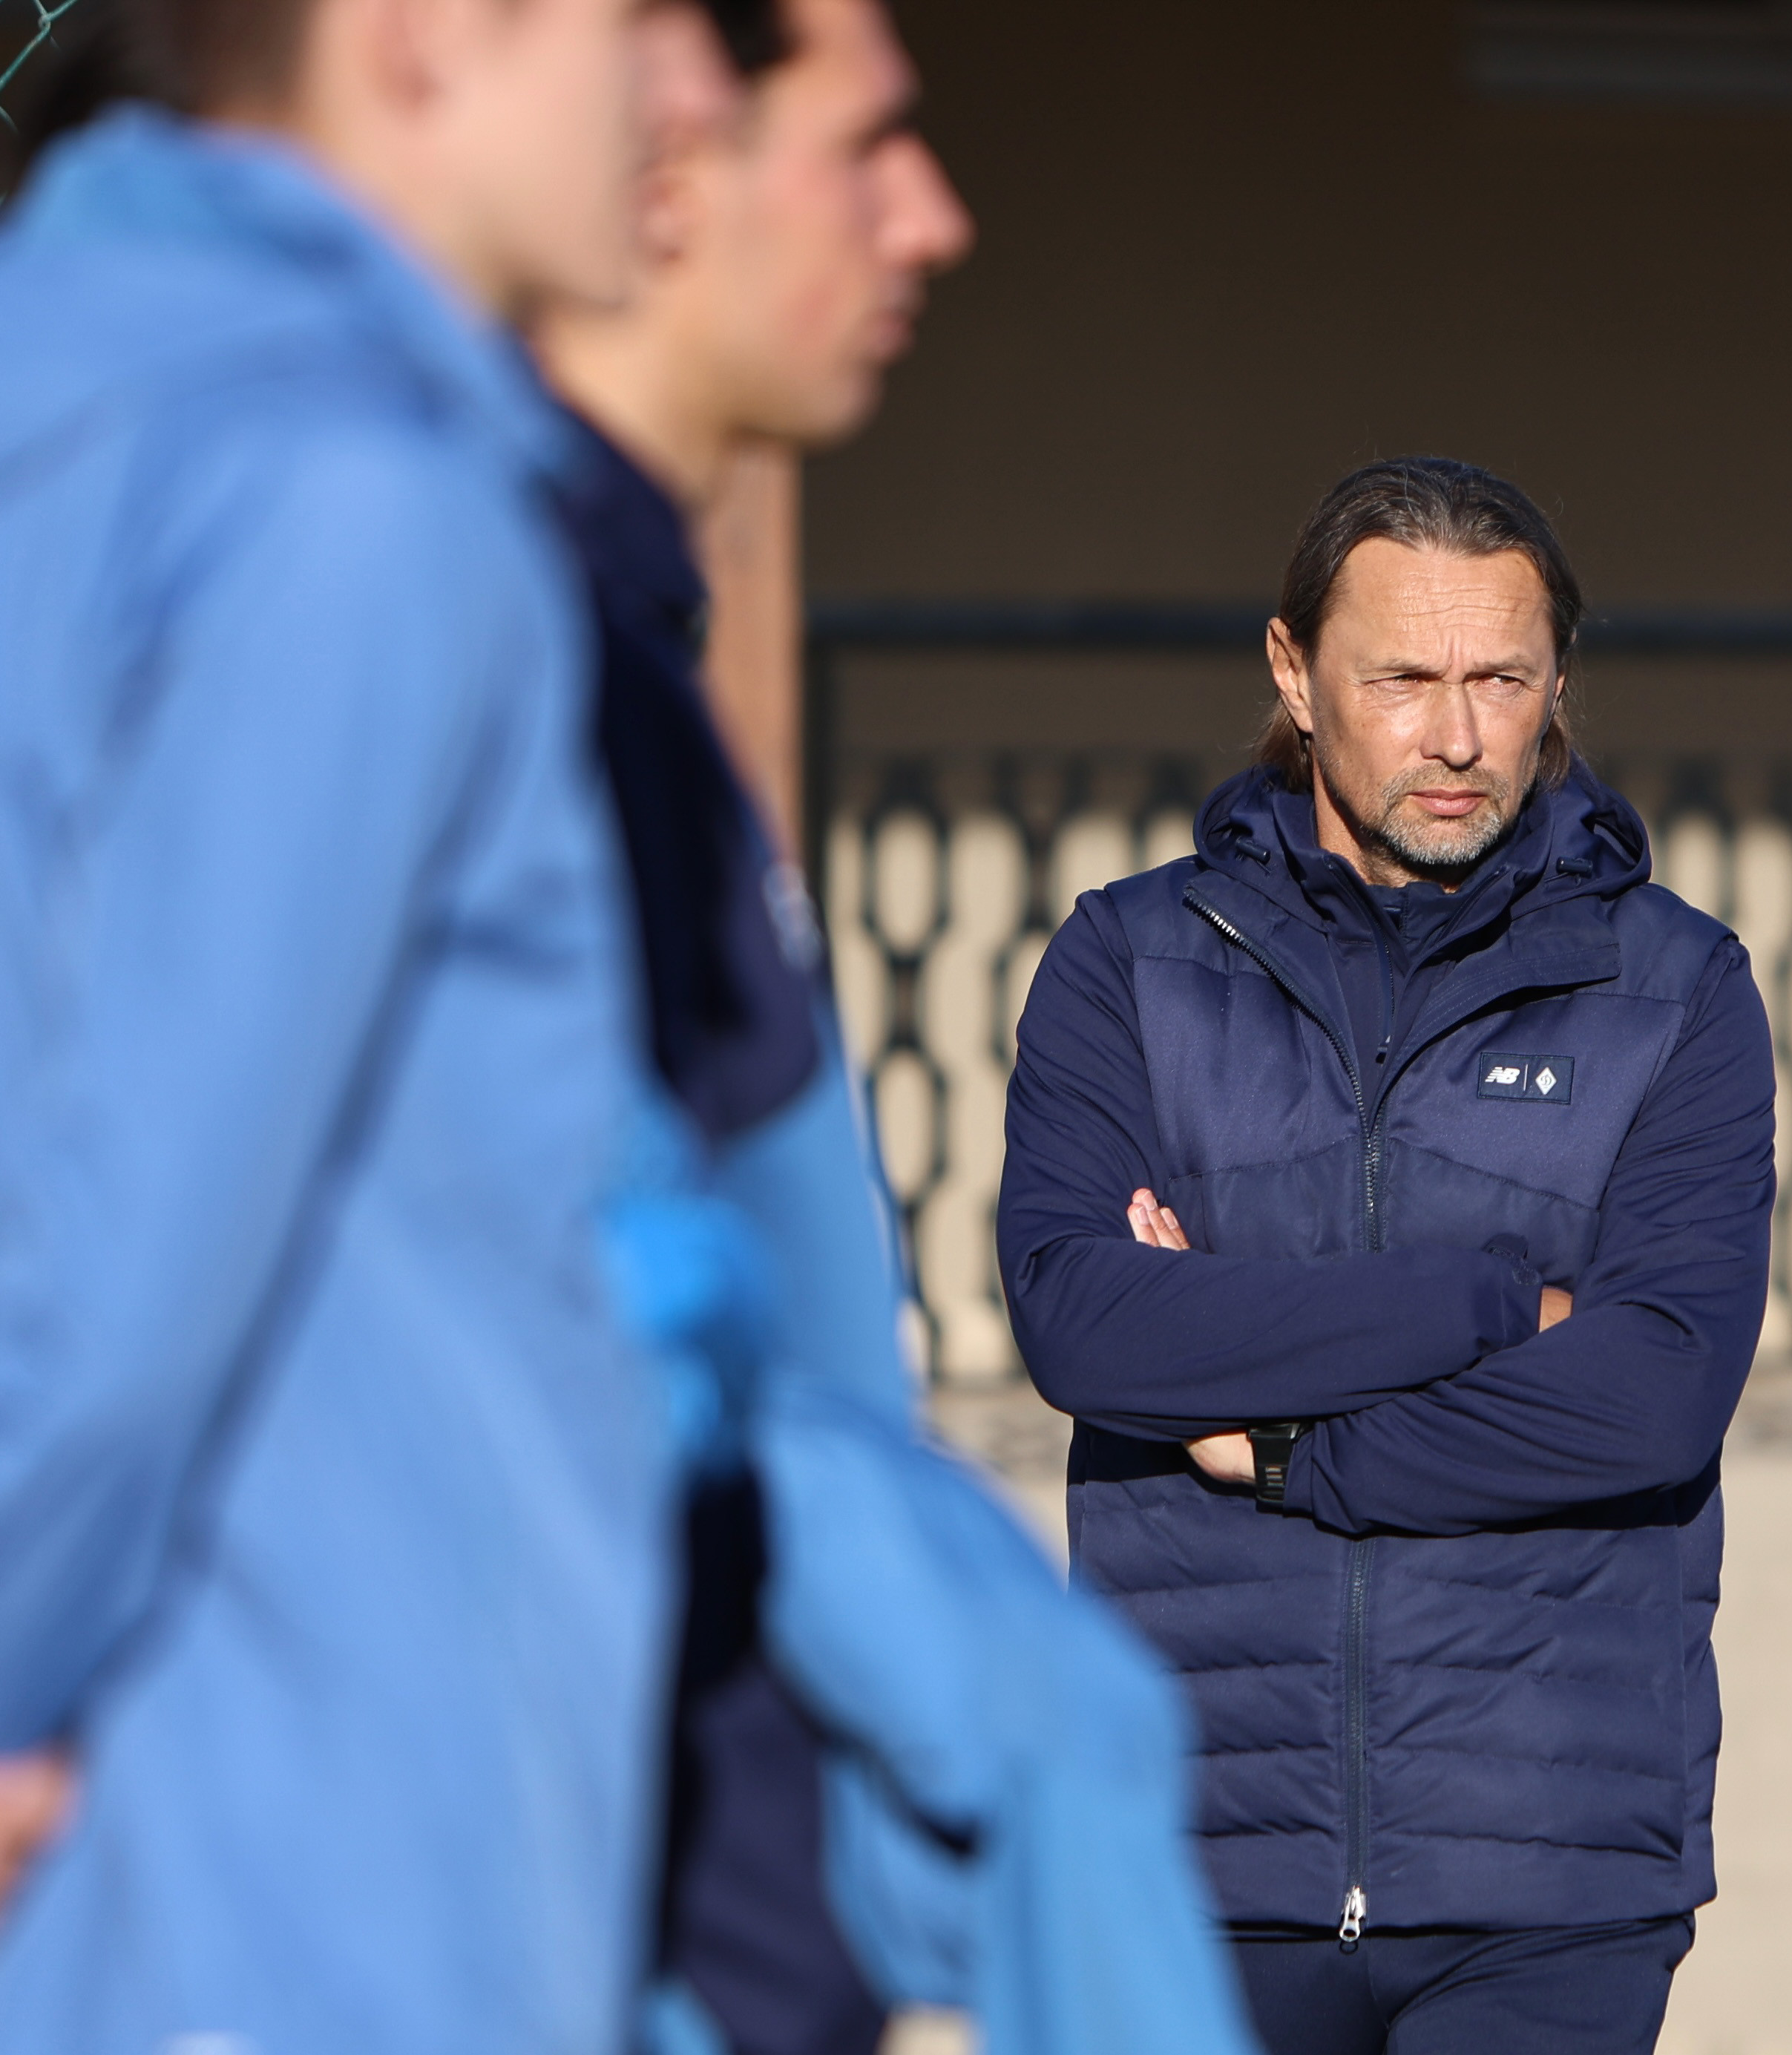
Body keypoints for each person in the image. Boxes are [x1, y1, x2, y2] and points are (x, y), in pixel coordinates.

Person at [0, 0, 687, 2045]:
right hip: (297, 1862)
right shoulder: (366, 509)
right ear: (425, 38)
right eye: (629, 21)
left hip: (7, 1872)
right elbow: (136, 1255)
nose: (670, 88)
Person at [533, 6, 1259, 2054]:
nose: (933, 217)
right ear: (666, 153)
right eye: (864, 143)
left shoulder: (623, 653)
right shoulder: (495, 658)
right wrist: (1024, 1699)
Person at [995, 455, 1778, 2055]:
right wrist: (1489, 1298)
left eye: (1501, 677)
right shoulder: (1128, 962)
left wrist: (1287, 1440)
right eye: (1402, 679)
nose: (1458, 735)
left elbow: (1651, 1391)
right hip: (1192, 1851)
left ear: (1557, 678)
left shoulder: (1677, 989)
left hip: (1547, 1864)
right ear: (1293, 675)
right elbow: (1088, 1322)